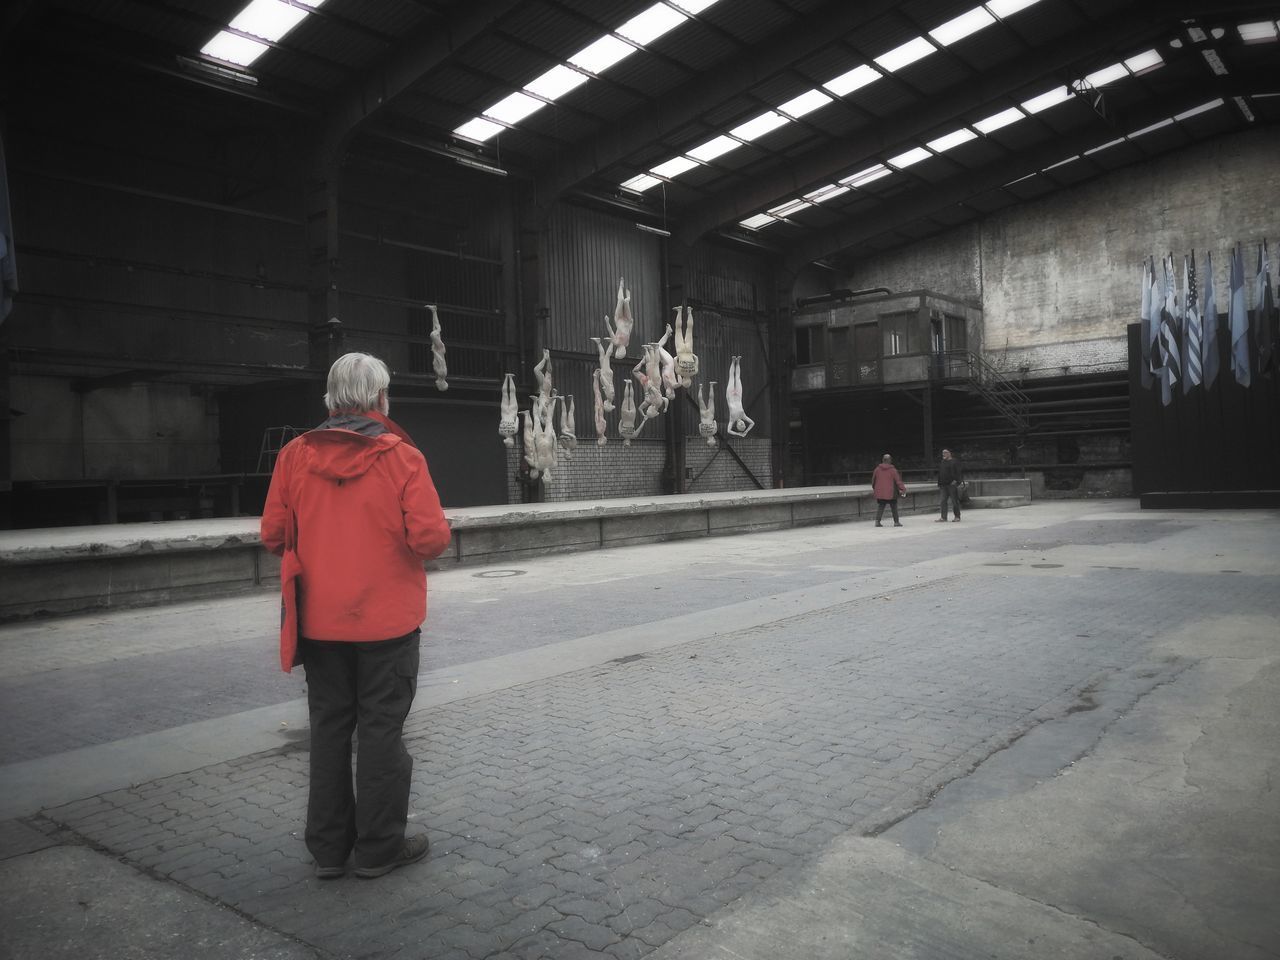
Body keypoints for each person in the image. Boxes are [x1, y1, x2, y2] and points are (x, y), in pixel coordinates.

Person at [261, 352, 451, 880]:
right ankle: (378, 849)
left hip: (319, 625)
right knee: (381, 733)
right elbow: (430, 540)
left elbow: (273, 535)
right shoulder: (403, 458)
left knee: (328, 731)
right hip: (387, 625)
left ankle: (327, 852)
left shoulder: (294, 456)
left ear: (330, 400)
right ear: (380, 399)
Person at [871, 454, 906, 527]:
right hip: (891, 492)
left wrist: (875, 488)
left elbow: (873, 481)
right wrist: (903, 489)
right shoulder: (893, 470)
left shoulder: (877, 469)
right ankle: (896, 522)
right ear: (889, 460)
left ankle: (877, 522)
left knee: (881, 506)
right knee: (894, 507)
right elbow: (898, 481)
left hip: (880, 492)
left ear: (883, 460)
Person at [937, 447, 963, 522]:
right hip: (943, 485)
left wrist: (956, 481)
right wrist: (939, 483)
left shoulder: (955, 462)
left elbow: (959, 473)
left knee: (954, 501)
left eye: (945, 452)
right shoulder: (942, 462)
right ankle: (943, 517)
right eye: (943, 453)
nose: (943, 454)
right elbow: (940, 473)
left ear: (949, 453)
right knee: (943, 501)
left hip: (952, 485)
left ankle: (957, 516)